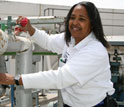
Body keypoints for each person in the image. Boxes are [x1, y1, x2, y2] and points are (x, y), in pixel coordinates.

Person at [0, 1, 116, 107]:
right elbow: (48, 41)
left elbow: (61, 78)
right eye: (72, 18)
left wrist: (16, 79)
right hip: (71, 103)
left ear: (92, 24)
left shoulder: (95, 50)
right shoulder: (71, 40)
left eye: (82, 19)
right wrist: (30, 29)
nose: (75, 23)